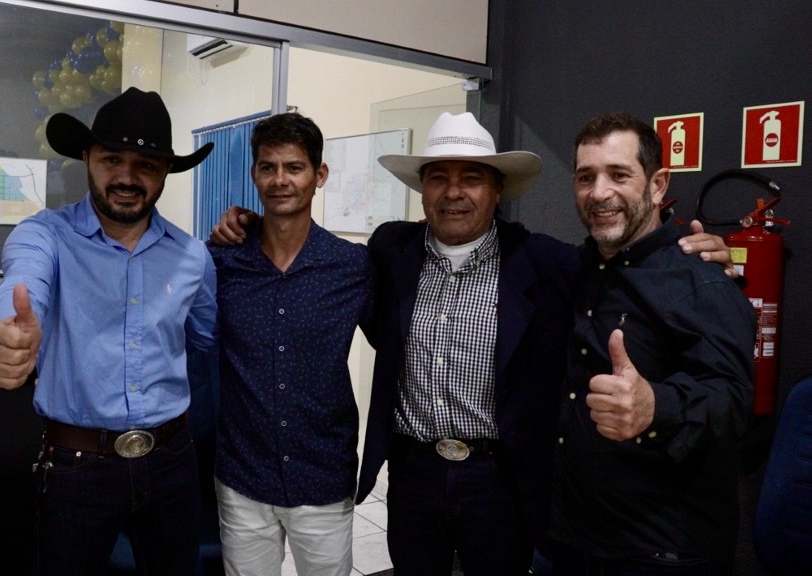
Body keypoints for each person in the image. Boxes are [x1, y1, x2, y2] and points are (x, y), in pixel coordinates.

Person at [211, 112, 732, 575]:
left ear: (497, 191)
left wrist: (688, 251)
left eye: (471, 179)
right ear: (422, 190)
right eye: (438, 177)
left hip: (500, 480)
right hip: (413, 476)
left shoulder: (547, 264)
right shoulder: (391, 252)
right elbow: (294, 238)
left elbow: (622, 264)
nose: (453, 192)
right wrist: (251, 222)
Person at [0, 87, 217, 576]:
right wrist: (9, 331)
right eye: (112, 159)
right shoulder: (44, 235)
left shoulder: (193, 257)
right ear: (87, 157)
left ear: (165, 172)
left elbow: (205, 339)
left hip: (173, 462)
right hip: (76, 466)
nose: (127, 178)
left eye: (147, 164)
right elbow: (25, 285)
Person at [547, 112, 756, 575]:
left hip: (660, 550)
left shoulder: (702, 280)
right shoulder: (577, 269)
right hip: (573, 535)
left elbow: (735, 401)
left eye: (618, 174)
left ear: (658, 185)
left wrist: (655, 407)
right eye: (586, 177)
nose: (599, 192)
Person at [206, 112, 373, 576]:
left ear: (318, 175)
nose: (280, 180)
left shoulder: (352, 266)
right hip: (243, 477)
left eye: (294, 167)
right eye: (268, 167)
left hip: (322, 474)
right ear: (255, 174)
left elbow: (399, 340)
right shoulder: (221, 260)